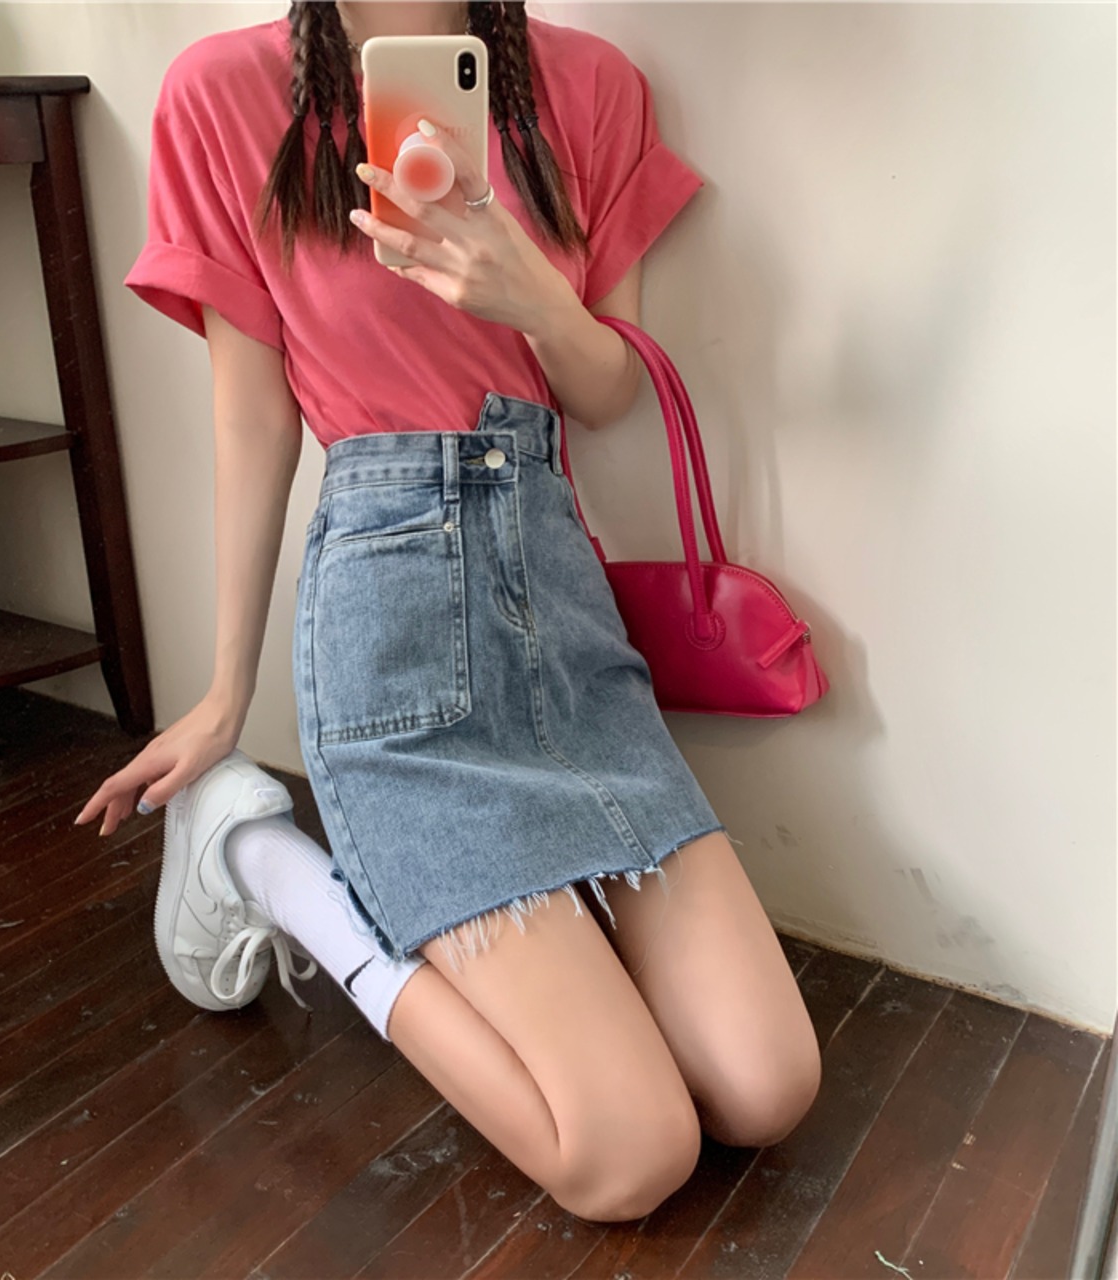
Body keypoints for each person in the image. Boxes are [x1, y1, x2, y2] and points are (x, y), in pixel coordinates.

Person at [75, 0, 821, 1224]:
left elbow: (608, 393)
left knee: (766, 1084)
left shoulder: (587, 87)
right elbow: (252, 418)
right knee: (625, 1155)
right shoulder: (223, 94)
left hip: (561, 614)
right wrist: (222, 694)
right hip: (392, 622)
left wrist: (534, 298)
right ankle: (265, 864)